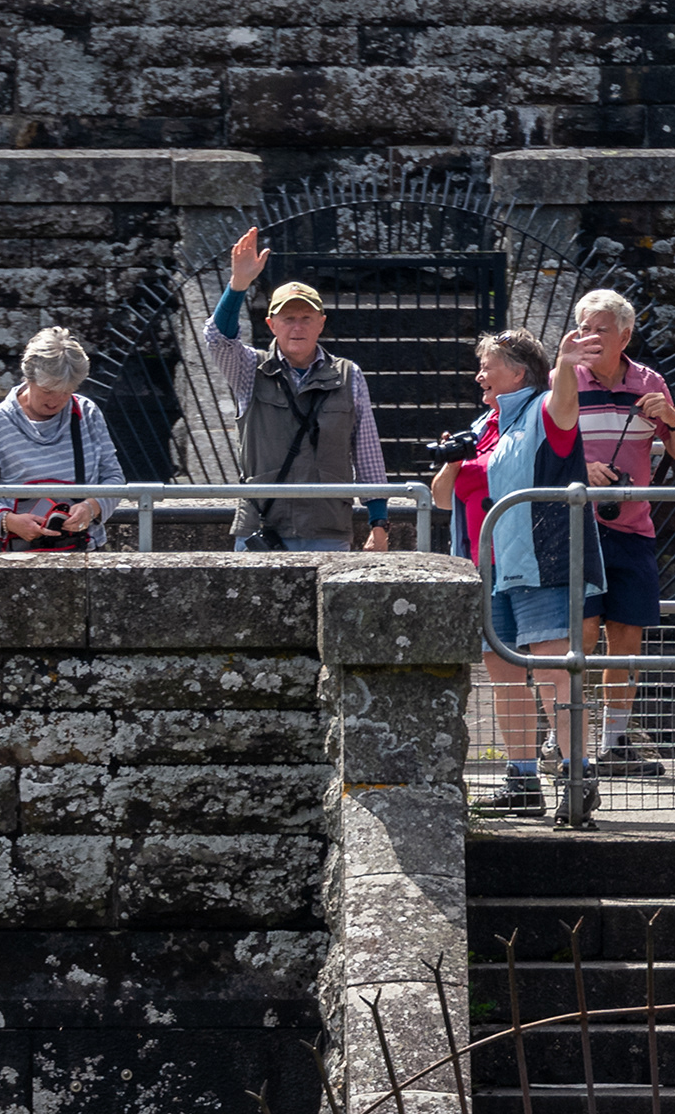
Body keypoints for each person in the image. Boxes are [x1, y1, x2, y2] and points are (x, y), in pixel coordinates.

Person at [434, 325, 608, 823]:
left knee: (556, 674)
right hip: (486, 567)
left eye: (487, 364)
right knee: (506, 678)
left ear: (519, 371)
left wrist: (567, 366)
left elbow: (565, 407)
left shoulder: (545, 409)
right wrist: (452, 458)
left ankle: (578, 777)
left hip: (541, 562)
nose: (478, 374)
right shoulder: (485, 423)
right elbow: (444, 497)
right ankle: (522, 780)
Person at [571, 289, 675, 777]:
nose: (590, 337)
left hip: (632, 529)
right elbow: (541, 448)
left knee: (626, 640)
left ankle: (614, 743)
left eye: (601, 328)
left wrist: (670, 418)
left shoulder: (650, 382)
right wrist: (584, 465)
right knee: (576, 637)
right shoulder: (563, 380)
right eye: (584, 327)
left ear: (625, 335)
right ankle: (566, 743)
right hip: (576, 528)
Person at [202, 228, 391, 553]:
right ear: (271, 325)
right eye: (288, 318)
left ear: (321, 322)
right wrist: (238, 286)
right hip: (262, 528)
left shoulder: (348, 375)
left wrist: (379, 523)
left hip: (328, 528)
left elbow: (368, 455)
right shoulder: (250, 369)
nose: (298, 326)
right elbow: (218, 338)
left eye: (306, 317)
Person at [0, 327, 126, 550]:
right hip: (14, 555)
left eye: (66, 392)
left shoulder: (87, 413)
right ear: (29, 378)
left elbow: (114, 478)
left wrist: (91, 508)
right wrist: (8, 521)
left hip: (83, 551)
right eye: (47, 390)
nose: (55, 400)